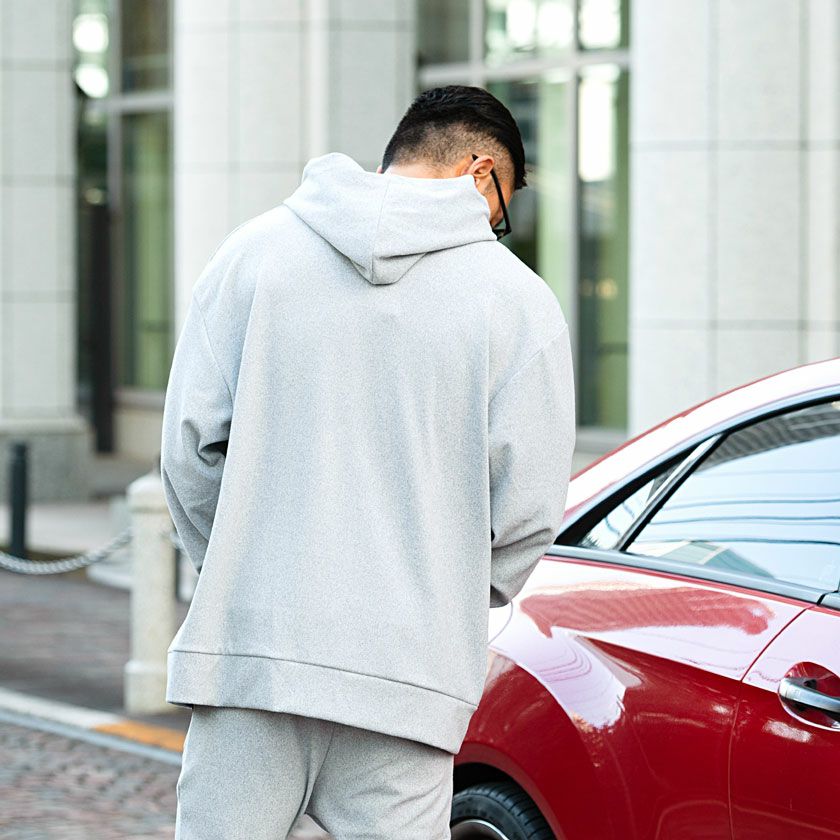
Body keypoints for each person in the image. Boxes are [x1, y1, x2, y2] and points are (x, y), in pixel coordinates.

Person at [161, 84, 576, 840]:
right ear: (481, 172)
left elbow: (191, 451)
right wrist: (444, 593)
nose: (496, 228)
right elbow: (528, 512)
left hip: (251, 657)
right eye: (502, 209)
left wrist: (242, 567)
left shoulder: (253, 254)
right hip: (408, 678)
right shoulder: (518, 301)